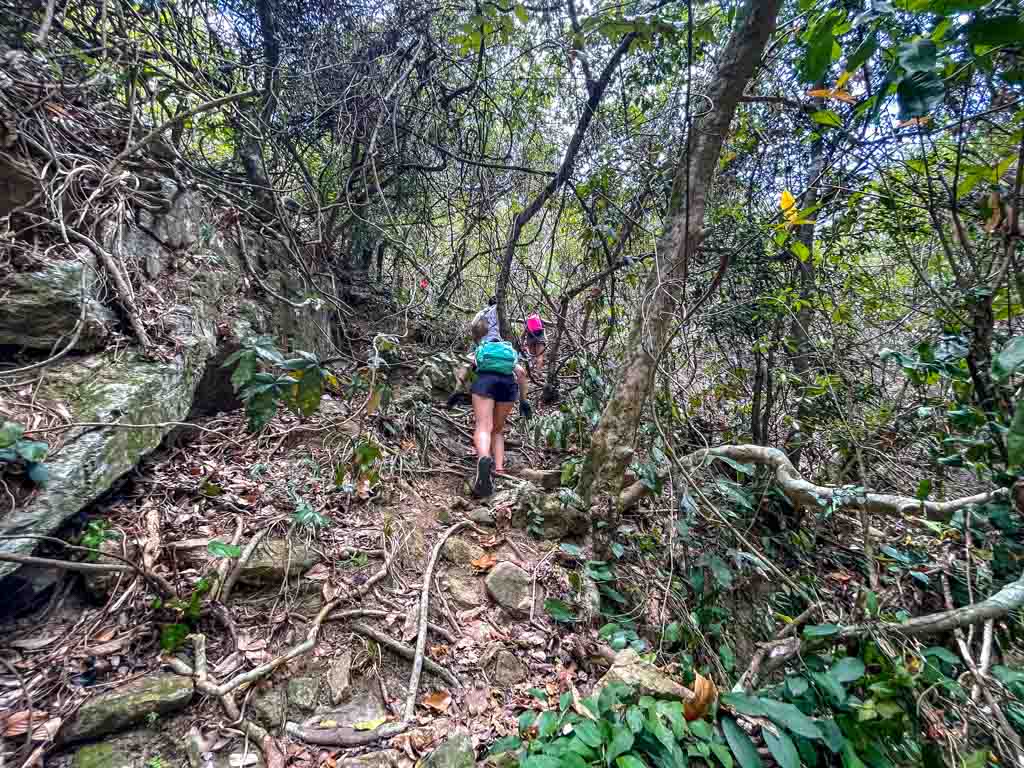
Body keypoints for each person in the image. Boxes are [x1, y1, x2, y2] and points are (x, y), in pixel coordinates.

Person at [464, 312, 531, 497]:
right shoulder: (508, 351)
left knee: (483, 426)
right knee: (498, 429)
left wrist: (457, 390)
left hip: (485, 383)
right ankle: (499, 470)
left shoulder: (480, 349)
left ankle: (484, 459)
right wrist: (524, 401)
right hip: (508, 387)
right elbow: (521, 373)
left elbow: (463, 368)